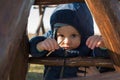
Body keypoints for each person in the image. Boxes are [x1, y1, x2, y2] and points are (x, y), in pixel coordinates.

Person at [29, 2, 113, 80]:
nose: (67, 41)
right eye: (61, 35)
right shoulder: (51, 41)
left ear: (84, 35)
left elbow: (104, 58)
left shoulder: (89, 47)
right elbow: (32, 48)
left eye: (73, 35)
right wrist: (40, 45)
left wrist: (102, 45)